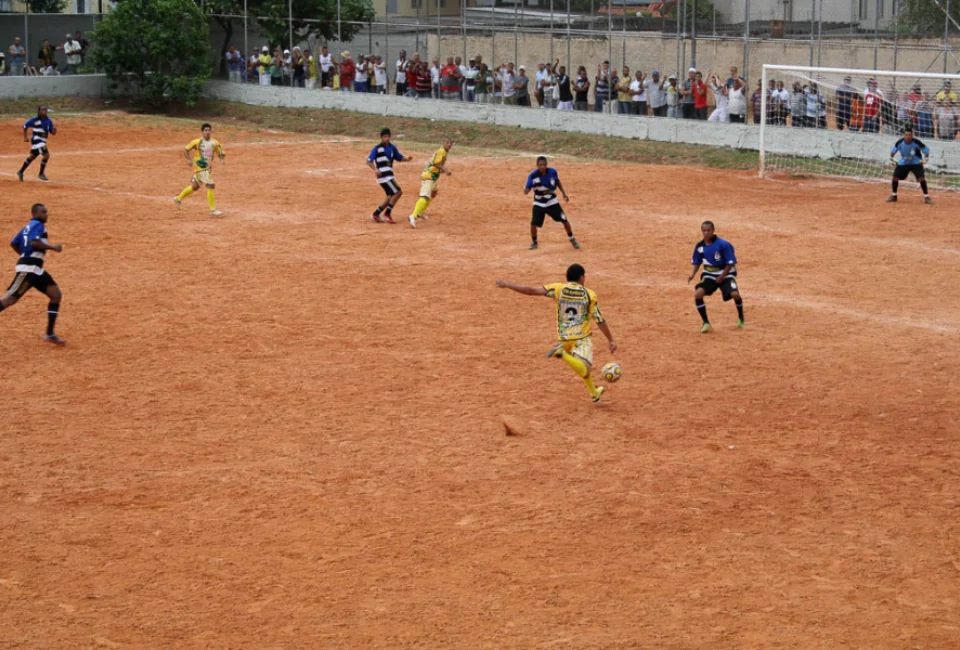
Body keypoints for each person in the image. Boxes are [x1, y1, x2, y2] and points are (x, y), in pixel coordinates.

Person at [496, 263, 617, 404]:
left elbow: (531, 291)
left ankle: (594, 393)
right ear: (581, 277)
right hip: (581, 338)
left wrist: (508, 284)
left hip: (564, 339)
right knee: (585, 368)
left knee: (580, 365)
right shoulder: (589, 295)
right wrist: (611, 340)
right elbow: (599, 319)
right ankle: (561, 354)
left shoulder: (558, 289)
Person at [1, 203, 66, 345]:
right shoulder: (37, 225)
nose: (46, 214)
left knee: (56, 295)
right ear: (35, 213)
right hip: (28, 270)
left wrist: (24, 255)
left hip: (36, 270)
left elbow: (13, 242)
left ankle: (49, 334)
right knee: (9, 300)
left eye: (46, 212)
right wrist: (52, 247)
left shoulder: (27, 227)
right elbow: (34, 243)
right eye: (43, 212)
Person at [688, 220, 744, 333]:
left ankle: (741, 317)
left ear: (713, 230)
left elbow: (730, 263)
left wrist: (722, 276)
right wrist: (692, 274)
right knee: (698, 294)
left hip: (726, 274)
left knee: (735, 294)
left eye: (708, 230)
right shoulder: (700, 246)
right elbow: (697, 262)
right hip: (709, 275)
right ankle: (706, 322)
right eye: (704, 230)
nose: (706, 233)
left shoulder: (723, 245)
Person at [525, 156, 579, 251]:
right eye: (540, 165)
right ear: (537, 165)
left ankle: (572, 238)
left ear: (547, 165)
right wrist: (526, 189)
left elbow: (557, 182)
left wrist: (563, 193)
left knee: (564, 220)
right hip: (539, 203)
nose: (542, 167)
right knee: (533, 224)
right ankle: (534, 242)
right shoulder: (532, 176)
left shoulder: (553, 172)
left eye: (544, 165)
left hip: (552, 202)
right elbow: (526, 189)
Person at [173, 123, 226, 216]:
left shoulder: (215, 143)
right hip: (200, 167)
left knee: (195, 186)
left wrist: (221, 158)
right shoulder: (197, 142)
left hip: (207, 168)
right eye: (205, 130)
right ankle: (213, 210)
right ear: (202, 132)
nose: (208, 132)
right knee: (211, 185)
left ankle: (178, 199)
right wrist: (189, 160)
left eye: (209, 130)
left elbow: (220, 152)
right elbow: (186, 149)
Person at [367, 128, 413, 224]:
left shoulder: (392, 148)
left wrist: (407, 159)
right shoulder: (377, 148)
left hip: (389, 175)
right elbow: (368, 161)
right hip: (384, 176)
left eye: (388, 136)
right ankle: (387, 214)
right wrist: (375, 169)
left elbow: (399, 157)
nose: (386, 139)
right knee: (398, 192)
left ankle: (376, 214)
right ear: (381, 138)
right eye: (384, 137)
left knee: (390, 195)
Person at [408, 139, 453, 228]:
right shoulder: (442, 151)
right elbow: (436, 163)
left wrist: (441, 171)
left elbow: (436, 165)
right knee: (424, 196)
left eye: (451, 143)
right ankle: (413, 215)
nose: (449, 144)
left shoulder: (444, 152)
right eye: (447, 142)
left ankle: (420, 212)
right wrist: (446, 170)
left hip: (432, 176)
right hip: (428, 176)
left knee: (434, 192)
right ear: (443, 143)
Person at [887, 127, 932, 204]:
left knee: (921, 178)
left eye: (909, 135)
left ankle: (926, 197)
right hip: (903, 163)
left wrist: (925, 160)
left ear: (912, 135)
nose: (907, 137)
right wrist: (892, 159)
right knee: (895, 178)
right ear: (904, 135)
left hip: (916, 163)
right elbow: (892, 152)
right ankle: (894, 196)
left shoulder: (917, 143)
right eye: (906, 135)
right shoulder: (900, 143)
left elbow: (926, 151)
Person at [17, 105, 56, 183]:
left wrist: (54, 131)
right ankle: (41, 174)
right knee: (46, 155)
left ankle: (20, 171)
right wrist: (25, 137)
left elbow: (52, 132)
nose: (44, 111)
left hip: (42, 141)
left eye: (45, 110)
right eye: (42, 110)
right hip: (37, 140)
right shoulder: (35, 120)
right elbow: (25, 126)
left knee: (32, 156)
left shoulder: (49, 121)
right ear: (39, 111)